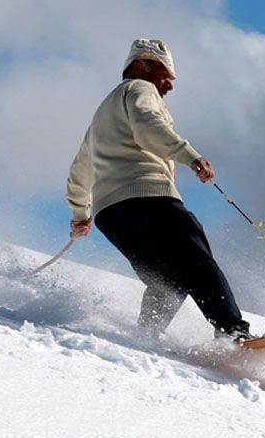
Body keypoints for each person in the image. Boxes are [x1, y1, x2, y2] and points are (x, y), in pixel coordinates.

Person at [65, 38, 251, 341]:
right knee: (195, 259)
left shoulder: (101, 116)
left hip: (110, 216)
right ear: (140, 66)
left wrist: (79, 213)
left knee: (167, 280)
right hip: (147, 198)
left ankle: (146, 338)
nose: (170, 85)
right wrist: (190, 155)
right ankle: (233, 334)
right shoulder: (140, 90)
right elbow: (148, 125)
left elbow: (79, 171)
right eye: (166, 75)